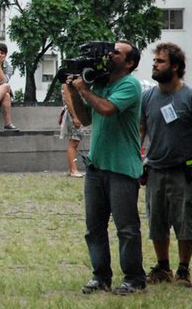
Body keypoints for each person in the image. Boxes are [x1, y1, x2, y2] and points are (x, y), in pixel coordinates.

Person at [65, 40, 146, 295]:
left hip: (122, 166)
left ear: (130, 62)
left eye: (117, 53)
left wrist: (85, 91)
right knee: (94, 227)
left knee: (127, 228)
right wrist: (76, 92)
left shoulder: (129, 84)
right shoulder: (100, 82)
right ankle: (101, 276)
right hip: (97, 166)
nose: (110, 55)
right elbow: (87, 118)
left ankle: (134, 278)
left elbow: (108, 109)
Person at [139, 43, 192, 287]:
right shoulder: (148, 96)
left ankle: (183, 269)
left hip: (184, 170)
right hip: (155, 169)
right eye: (155, 61)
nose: (155, 65)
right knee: (156, 222)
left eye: (160, 61)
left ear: (175, 66)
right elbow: (141, 129)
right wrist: (139, 159)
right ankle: (162, 267)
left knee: (185, 221)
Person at [59, 85, 87, 177]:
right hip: (73, 114)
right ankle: (73, 170)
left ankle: (72, 168)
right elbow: (68, 100)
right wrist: (75, 116)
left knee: (75, 142)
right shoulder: (67, 84)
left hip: (75, 113)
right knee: (74, 143)